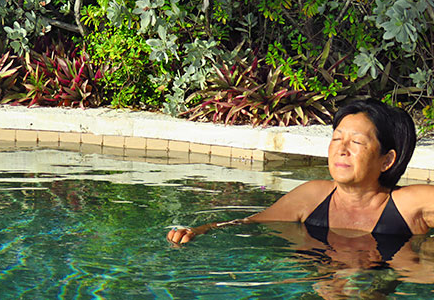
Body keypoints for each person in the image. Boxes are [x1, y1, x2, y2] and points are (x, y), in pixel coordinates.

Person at [167, 98, 434, 245]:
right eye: (337, 138)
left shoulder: (410, 205)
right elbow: (249, 223)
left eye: (357, 143)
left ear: (386, 160)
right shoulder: (312, 196)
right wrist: (199, 230)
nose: (341, 149)